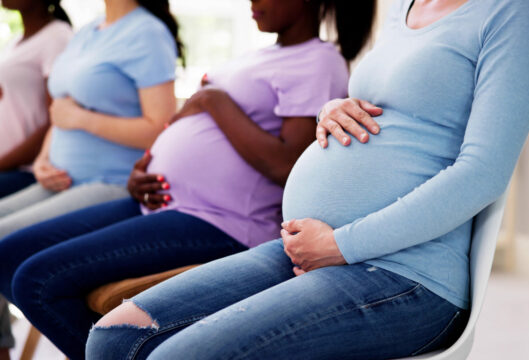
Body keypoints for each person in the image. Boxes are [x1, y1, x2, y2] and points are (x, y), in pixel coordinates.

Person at [85, 0, 529, 359]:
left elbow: (483, 174)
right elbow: (387, 102)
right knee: (112, 339)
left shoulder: (516, 12)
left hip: (405, 274)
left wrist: (343, 245)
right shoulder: (406, 5)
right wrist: (333, 109)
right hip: (305, 250)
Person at [0, 0, 374, 358]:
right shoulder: (259, 55)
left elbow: (286, 165)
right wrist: (144, 169)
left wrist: (214, 100)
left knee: (38, 282)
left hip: (221, 220)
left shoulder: (320, 61)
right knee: (10, 254)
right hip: (158, 201)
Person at [0, 0, 181, 240]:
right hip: (59, 178)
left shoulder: (149, 33)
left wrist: (82, 119)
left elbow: (160, 128)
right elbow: (61, 109)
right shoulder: (88, 31)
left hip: (111, 181)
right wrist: (43, 161)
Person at [0, 1, 72, 357]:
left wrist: (4, 162)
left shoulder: (57, 37)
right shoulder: (15, 41)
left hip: (29, 169)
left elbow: (53, 119)